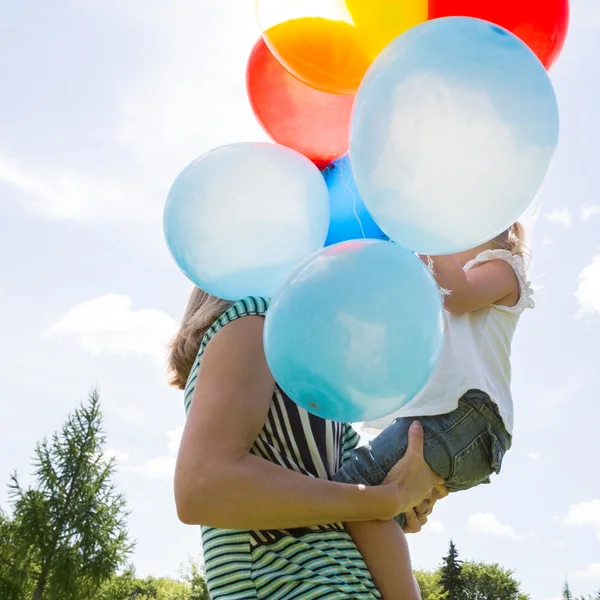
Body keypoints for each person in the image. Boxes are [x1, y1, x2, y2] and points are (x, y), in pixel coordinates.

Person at [169, 292, 447, 599]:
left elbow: (353, 505)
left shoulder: (309, 380)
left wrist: (399, 498)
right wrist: (388, 500)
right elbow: (204, 488)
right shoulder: (258, 319)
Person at [333, 222, 534, 599]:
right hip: (451, 424)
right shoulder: (435, 289)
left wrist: (419, 224)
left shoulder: (503, 265)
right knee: (374, 510)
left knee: (352, 489)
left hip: (466, 416)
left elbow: (458, 293)